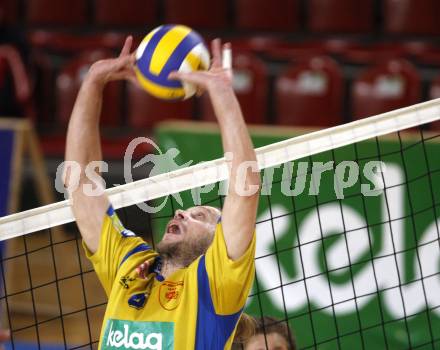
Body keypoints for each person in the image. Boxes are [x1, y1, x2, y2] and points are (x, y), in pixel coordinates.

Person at [64, 35, 261, 350]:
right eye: (186, 210)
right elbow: (80, 184)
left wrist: (222, 93)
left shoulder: (216, 284)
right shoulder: (130, 266)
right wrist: (93, 83)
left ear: (218, 243)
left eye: (200, 215)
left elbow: (245, 187)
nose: (181, 211)